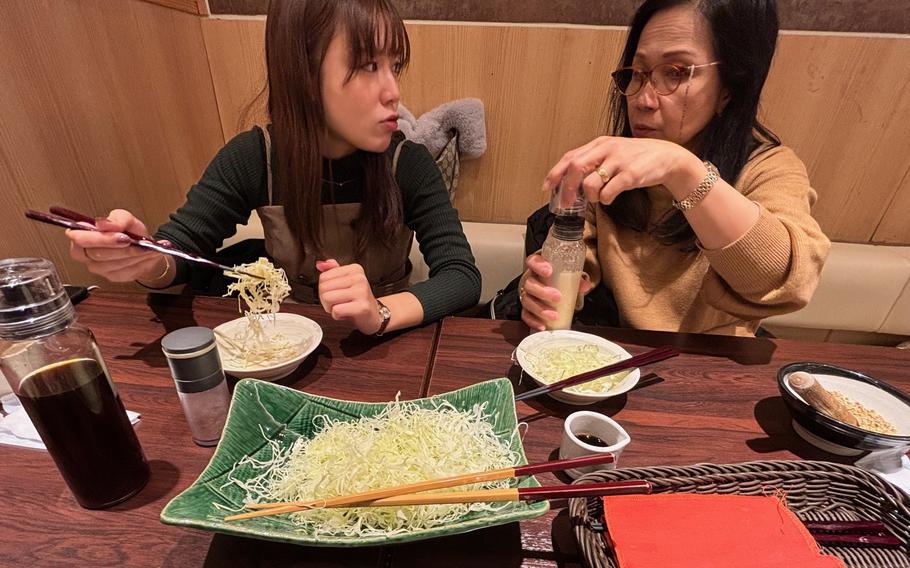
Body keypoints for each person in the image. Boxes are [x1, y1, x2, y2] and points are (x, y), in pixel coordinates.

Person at [65, 0, 481, 336]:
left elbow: (461, 275)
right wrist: (145, 261)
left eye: (395, 66)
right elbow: (180, 253)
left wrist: (380, 313)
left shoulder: (407, 163)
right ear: (303, 70)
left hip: (387, 351)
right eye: (370, 66)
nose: (394, 91)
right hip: (283, 345)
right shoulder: (254, 158)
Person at [520, 0, 829, 336]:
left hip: (707, 369)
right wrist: (542, 289)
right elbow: (576, 257)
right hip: (613, 359)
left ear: (729, 88)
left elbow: (784, 279)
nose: (643, 100)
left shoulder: (768, 168)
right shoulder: (614, 167)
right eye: (638, 74)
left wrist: (682, 169)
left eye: (676, 72)